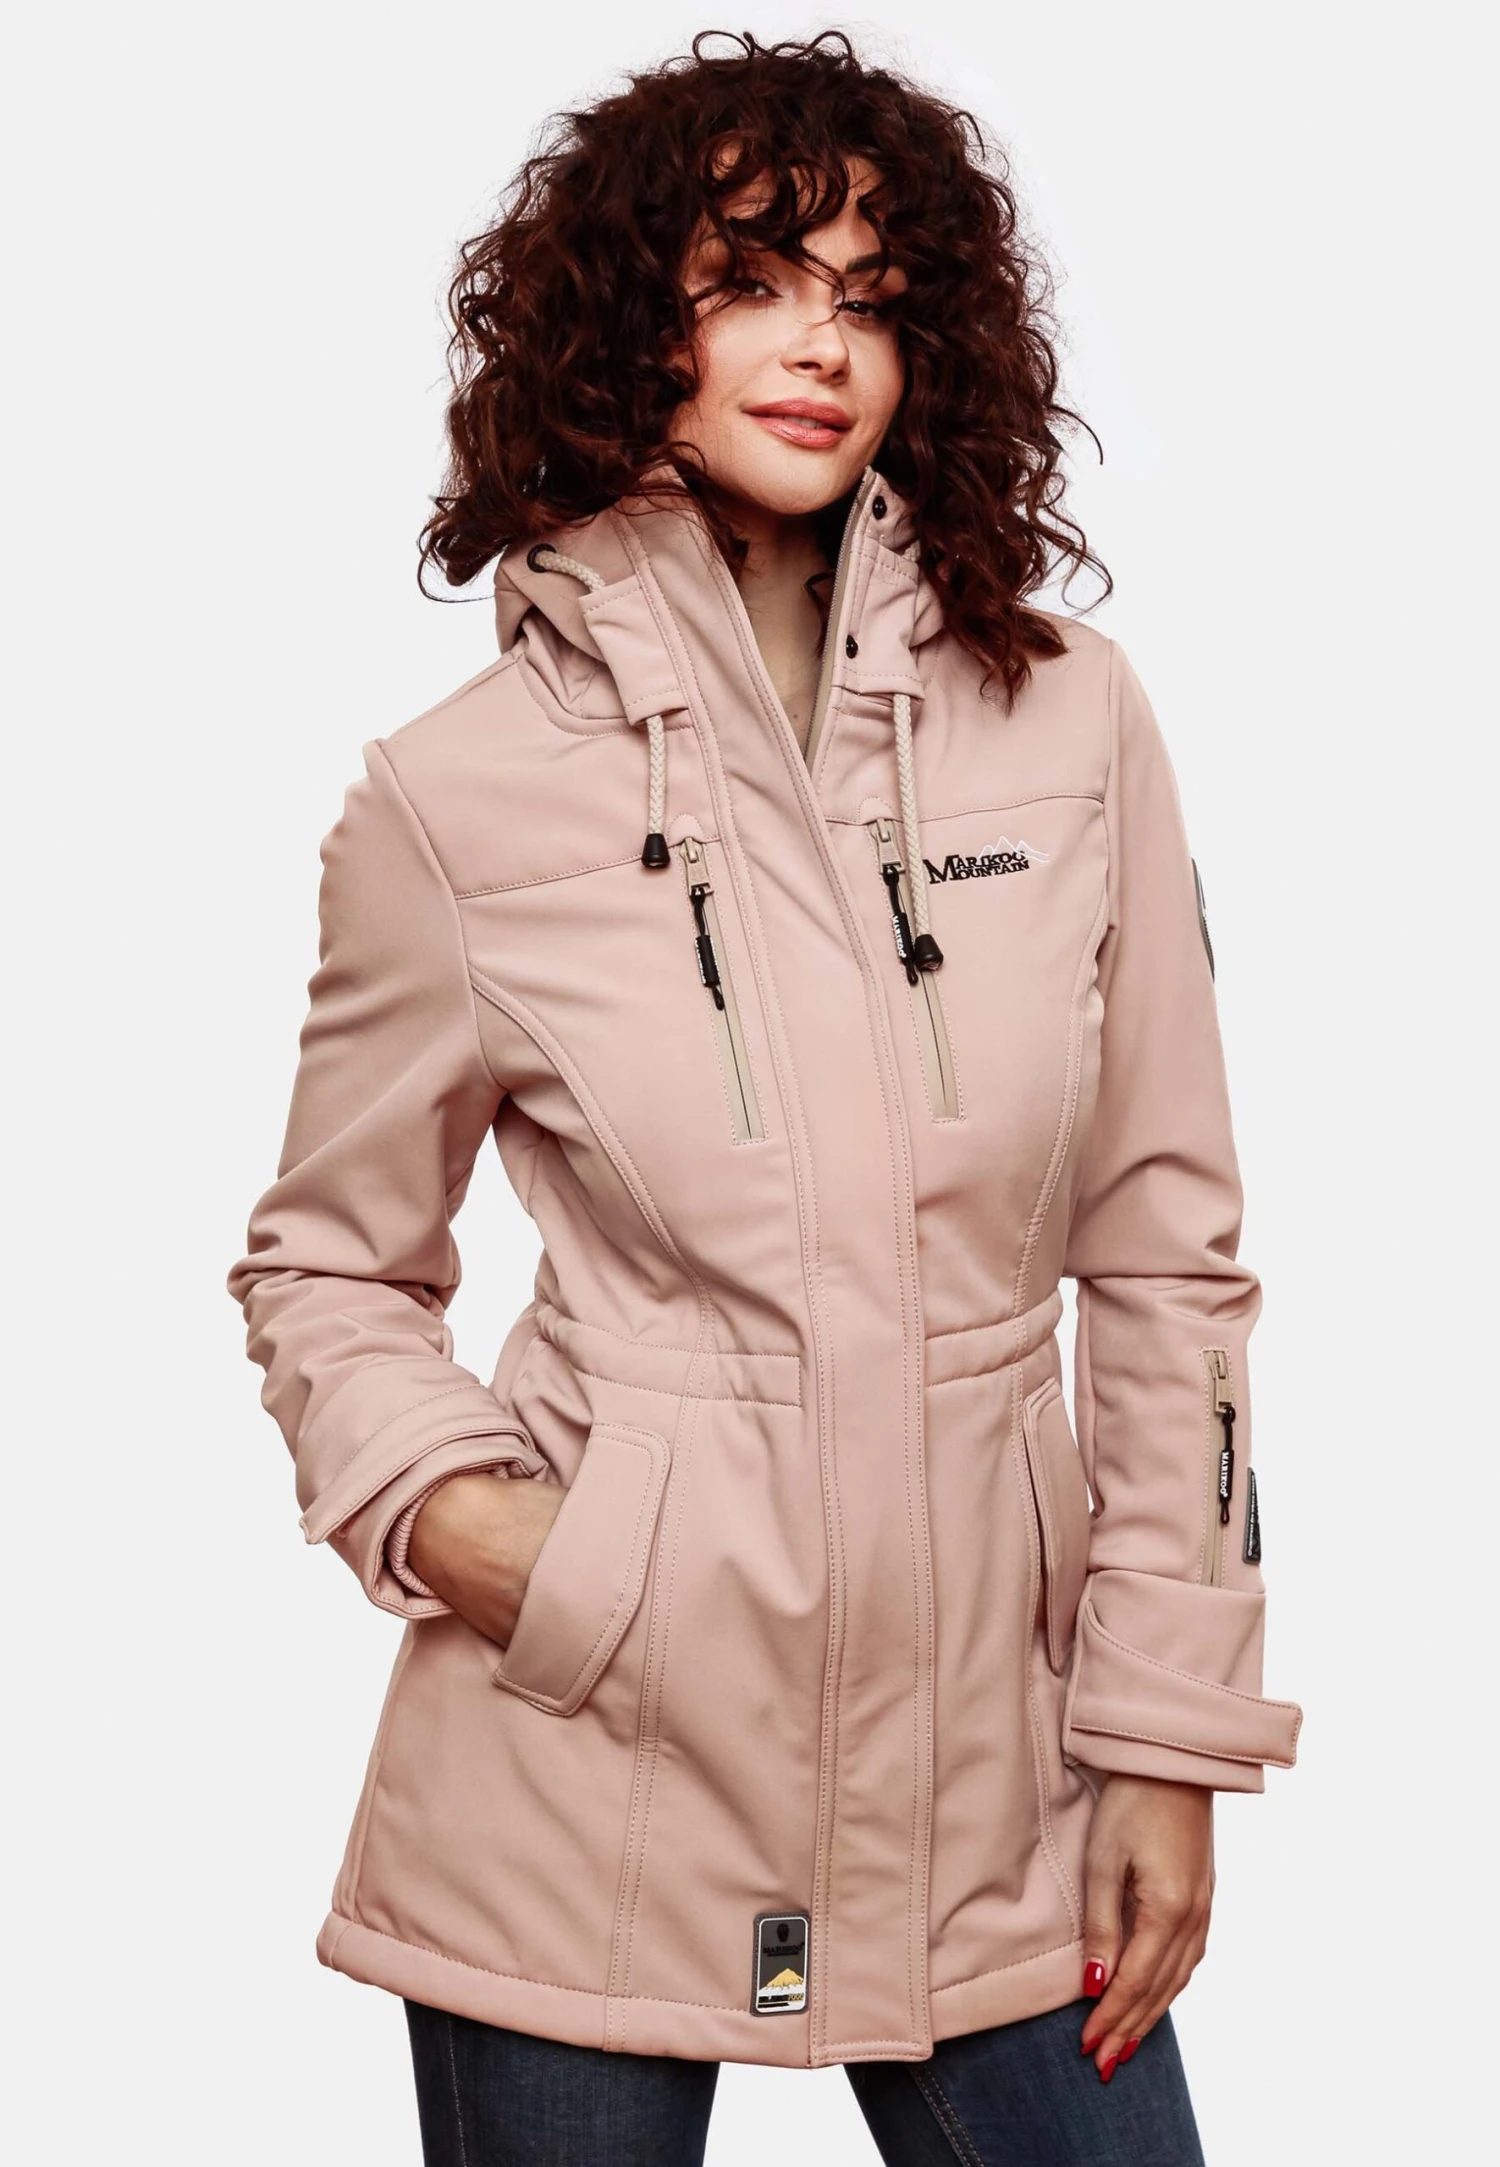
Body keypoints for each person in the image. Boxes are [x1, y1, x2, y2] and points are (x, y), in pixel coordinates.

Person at [228, 29, 1301, 2166]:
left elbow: (1170, 1256)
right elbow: (325, 1266)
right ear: (625, 324)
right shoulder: (456, 798)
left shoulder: (1071, 722)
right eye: (749, 283)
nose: (820, 347)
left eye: (871, 299)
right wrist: (491, 1535)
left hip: (1003, 1772)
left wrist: (1168, 1731)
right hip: (592, 1760)